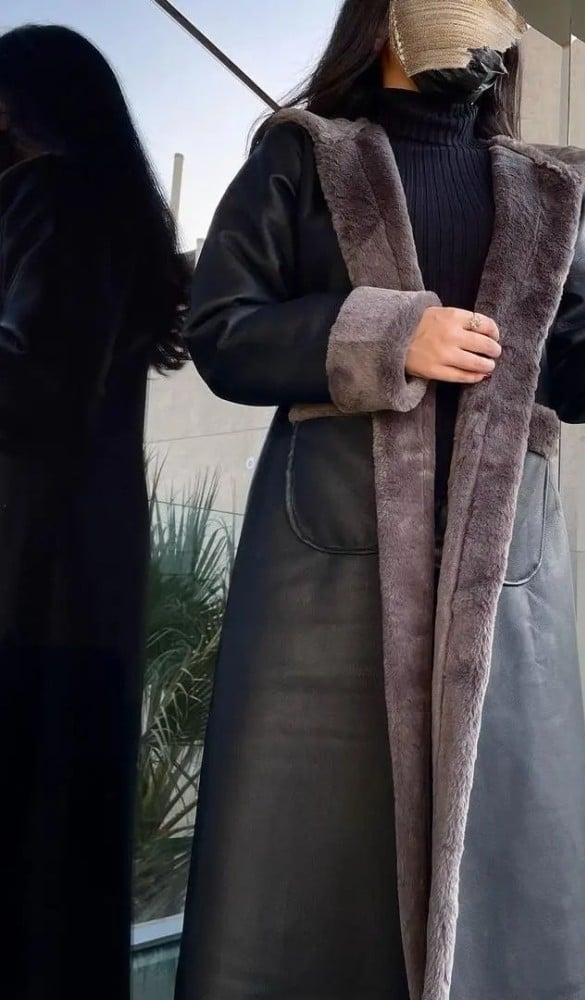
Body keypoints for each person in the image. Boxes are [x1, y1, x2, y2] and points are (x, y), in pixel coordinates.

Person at [176, 1, 585, 998]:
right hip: (325, 569)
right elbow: (224, 329)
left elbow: (580, 369)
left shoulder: (552, 189)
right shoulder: (304, 156)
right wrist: (387, 335)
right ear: (384, 18)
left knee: (504, 846)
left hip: (503, 578)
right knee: (313, 847)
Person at [0, 24, 188, 1000]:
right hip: (83, 581)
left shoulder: (54, 195)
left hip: (28, 579)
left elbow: (36, 387)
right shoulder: (114, 212)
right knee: (68, 863)